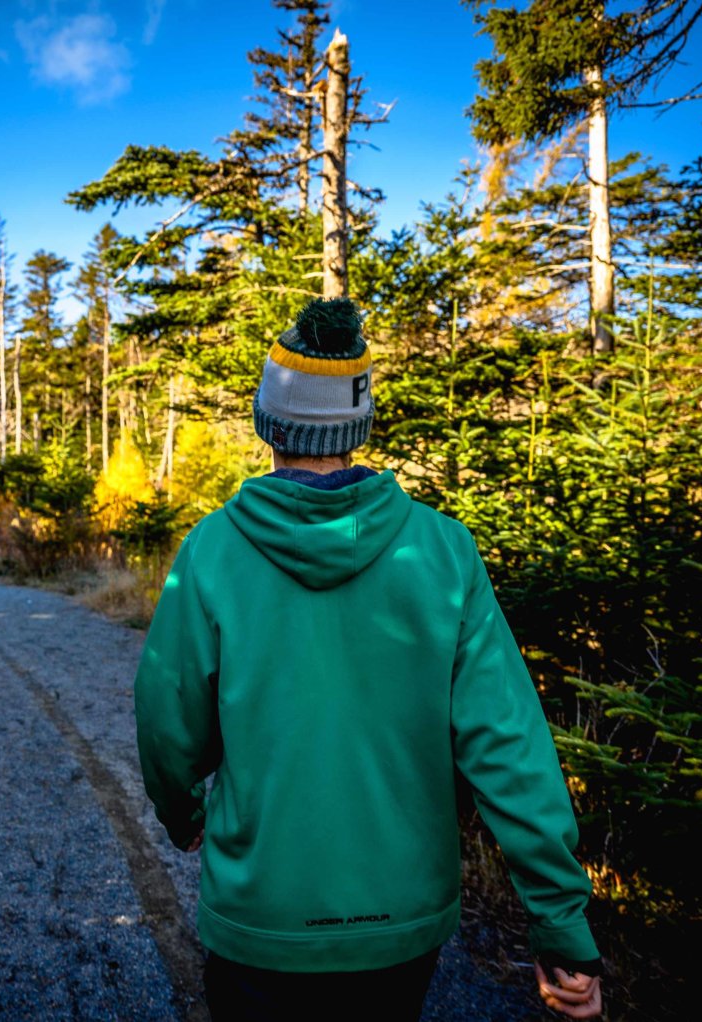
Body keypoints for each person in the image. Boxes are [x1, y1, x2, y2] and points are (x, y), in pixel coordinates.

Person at [133, 298, 603, 1020]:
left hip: (262, 912)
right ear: (359, 425)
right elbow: (508, 745)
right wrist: (560, 921)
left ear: (269, 423)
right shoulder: (445, 551)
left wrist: (181, 813)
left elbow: (166, 719)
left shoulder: (212, 551)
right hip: (401, 919)